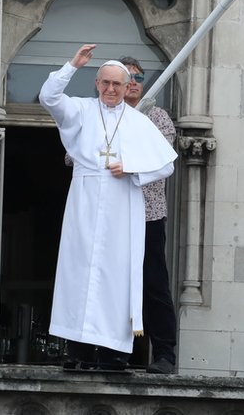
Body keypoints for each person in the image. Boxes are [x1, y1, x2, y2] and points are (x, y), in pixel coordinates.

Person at [39, 43, 177, 370]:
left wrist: (132, 167)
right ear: (97, 84)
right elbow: (48, 97)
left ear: (128, 86)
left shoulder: (141, 120)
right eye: (105, 82)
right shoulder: (81, 109)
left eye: (118, 83)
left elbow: (166, 164)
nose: (111, 89)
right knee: (79, 272)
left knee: (117, 275)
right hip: (84, 201)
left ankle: (115, 352)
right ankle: (79, 350)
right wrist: (73, 64)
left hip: (123, 203)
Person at [120, 56, 179, 375]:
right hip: (111, 215)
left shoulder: (158, 117)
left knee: (154, 284)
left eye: (138, 76)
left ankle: (164, 354)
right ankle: (110, 353)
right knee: (110, 283)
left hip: (148, 215)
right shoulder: (102, 116)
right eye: (126, 76)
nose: (133, 81)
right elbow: (76, 159)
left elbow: (159, 160)